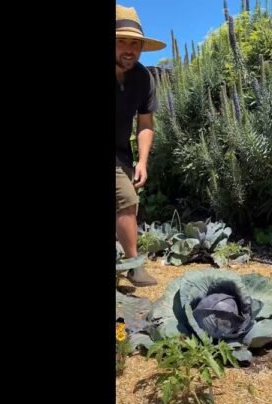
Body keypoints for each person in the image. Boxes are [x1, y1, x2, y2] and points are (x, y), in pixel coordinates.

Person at [115, 5, 166, 287]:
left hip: (121, 151)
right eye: (121, 40)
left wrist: (142, 160)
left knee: (126, 203)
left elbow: (145, 124)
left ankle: (131, 265)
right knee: (126, 200)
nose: (129, 48)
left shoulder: (143, 78)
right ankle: (135, 266)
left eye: (134, 43)